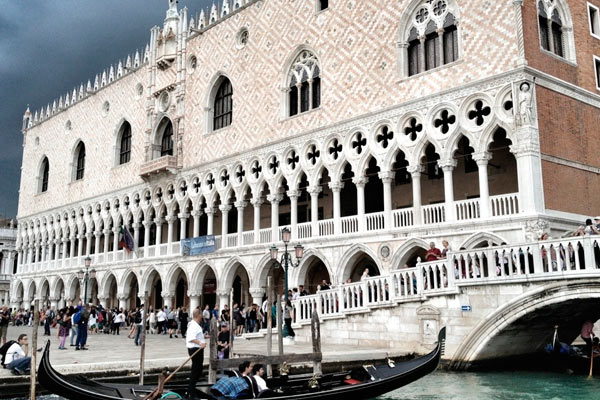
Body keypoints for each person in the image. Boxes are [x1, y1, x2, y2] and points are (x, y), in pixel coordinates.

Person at [186, 308, 207, 399]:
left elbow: (196, 336)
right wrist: (200, 343)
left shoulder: (194, 325)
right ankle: (191, 392)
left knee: (198, 370)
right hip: (195, 349)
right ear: (199, 315)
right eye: (201, 315)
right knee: (196, 370)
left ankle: (191, 390)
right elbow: (191, 338)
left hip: (196, 349)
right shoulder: (194, 325)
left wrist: (204, 337)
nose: (202, 316)